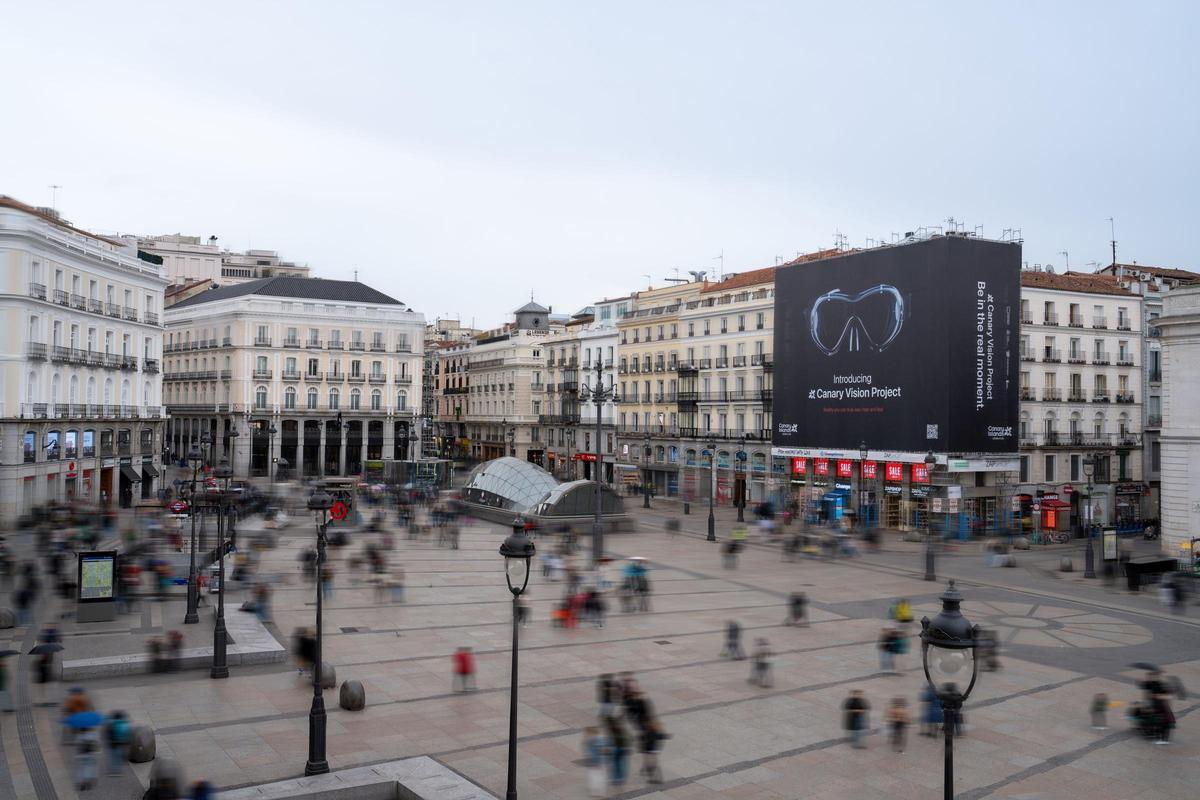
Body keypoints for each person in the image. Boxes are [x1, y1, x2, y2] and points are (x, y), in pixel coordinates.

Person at [583, 726, 608, 797]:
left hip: (599, 761)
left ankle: (598, 792)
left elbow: (603, 750)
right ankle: (596, 791)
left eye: (587, 733)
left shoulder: (599, 739)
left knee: (597, 776)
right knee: (595, 776)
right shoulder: (590, 739)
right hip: (594, 761)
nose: (586, 735)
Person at [105, 710, 131, 775]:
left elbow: (109, 734)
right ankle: (119, 769)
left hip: (114, 743)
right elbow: (128, 734)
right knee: (119, 756)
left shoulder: (112, 724)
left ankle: (114, 770)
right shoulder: (125, 724)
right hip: (122, 743)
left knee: (114, 757)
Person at [606, 714, 629, 789]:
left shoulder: (612, 729)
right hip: (621, 748)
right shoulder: (622, 730)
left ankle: (616, 778)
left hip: (616, 748)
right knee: (620, 763)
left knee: (616, 764)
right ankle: (621, 778)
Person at [75, 725, 100, 791]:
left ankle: (82, 783)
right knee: (89, 768)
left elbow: (78, 745)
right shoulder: (93, 735)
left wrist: (78, 754)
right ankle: (87, 782)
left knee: (81, 769)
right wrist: (97, 753)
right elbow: (96, 744)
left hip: (82, 754)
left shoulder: (79, 736)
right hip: (90, 754)